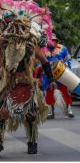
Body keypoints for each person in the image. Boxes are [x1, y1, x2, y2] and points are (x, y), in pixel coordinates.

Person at [0, 13, 55, 154]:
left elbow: (44, 61)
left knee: (31, 115)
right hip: (9, 84)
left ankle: (32, 141)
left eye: (20, 29)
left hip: (27, 83)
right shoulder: (4, 44)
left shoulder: (31, 45)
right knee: (2, 113)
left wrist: (51, 79)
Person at [42, 33, 74, 119]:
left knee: (64, 90)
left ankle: (68, 109)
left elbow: (68, 59)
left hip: (61, 72)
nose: (52, 42)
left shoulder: (63, 48)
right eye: (51, 40)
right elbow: (40, 61)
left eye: (54, 40)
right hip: (48, 73)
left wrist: (67, 67)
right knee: (49, 91)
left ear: (56, 41)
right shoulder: (43, 49)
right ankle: (50, 111)